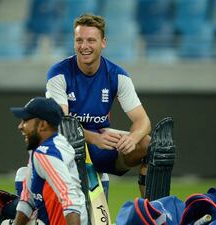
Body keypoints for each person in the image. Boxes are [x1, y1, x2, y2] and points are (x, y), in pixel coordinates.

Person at [45, 13, 152, 196]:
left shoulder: (117, 75)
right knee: (65, 137)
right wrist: (95, 139)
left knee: (150, 145)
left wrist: (132, 139)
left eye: (91, 40)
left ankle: (151, 213)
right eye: (79, 40)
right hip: (67, 147)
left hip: (101, 144)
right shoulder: (58, 74)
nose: (84, 46)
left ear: (103, 42)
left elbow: (143, 121)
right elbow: (62, 124)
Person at [10, 97, 88, 225]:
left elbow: (70, 200)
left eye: (25, 121)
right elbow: (27, 197)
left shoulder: (46, 154)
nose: (20, 126)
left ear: (42, 125)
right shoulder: (45, 146)